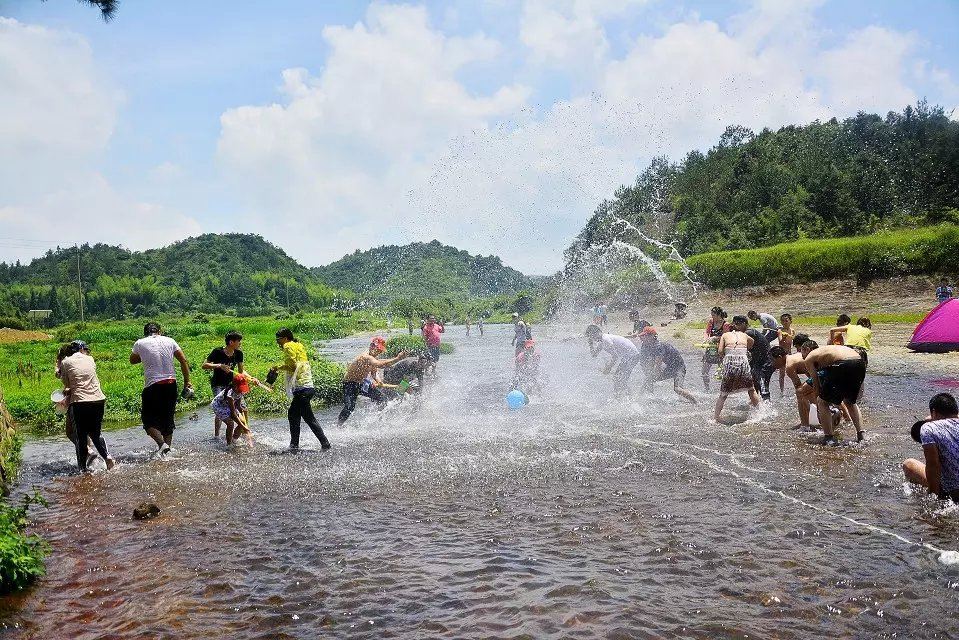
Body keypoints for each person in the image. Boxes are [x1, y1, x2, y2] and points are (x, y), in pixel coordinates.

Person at [130, 322, 192, 459]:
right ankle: (167, 452)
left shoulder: (140, 343)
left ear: (145, 332)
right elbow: (183, 360)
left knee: (147, 420)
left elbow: (132, 360)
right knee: (168, 419)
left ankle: (162, 445)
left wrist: (146, 355)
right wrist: (187, 381)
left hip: (153, 385)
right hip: (171, 384)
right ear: (160, 331)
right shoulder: (170, 340)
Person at [270, 328, 331, 451]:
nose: (278, 342)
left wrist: (278, 367)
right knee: (294, 414)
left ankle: (324, 444)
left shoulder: (288, 346)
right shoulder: (298, 345)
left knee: (307, 417)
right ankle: (295, 445)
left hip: (302, 388)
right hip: (307, 387)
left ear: (286, 338)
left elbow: (292, 366)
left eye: (279, 339)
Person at [59, 342, 115, 472]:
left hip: (80, 402)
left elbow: (67, 384)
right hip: (98, 400)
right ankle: (108, 458)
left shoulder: (66, 361)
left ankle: (82, 470)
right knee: (95, 434)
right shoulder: (90, 359)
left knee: (80, 437)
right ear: (82, 350)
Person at [804, 343, 867, 444]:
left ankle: (829, 437)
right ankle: (861, 435)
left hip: (842, 364)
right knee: (850, 402)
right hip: (859, 362)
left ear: (806, 350)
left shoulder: (808, 359)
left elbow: (815, 384)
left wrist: (818, 409)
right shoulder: (826, 351)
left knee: (822, 402)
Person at [903, 393, 959, 503]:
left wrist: (933, 497)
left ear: (934, 412)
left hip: (953, 492)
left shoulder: (928, 428)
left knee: (909, 464)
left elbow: (933, 464)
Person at [338, 337, 408, 424]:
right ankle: (339, 426)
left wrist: (378, 381)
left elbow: (374, 373)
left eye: (380, 351)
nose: (379, 352)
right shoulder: (365, 357)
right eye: (378, 349)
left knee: (383, 399)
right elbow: (381, 365)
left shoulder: (373, 357)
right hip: (350, 384)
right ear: (371, 346)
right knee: (349, 407)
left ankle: (377, 421)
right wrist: (397, 359)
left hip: (362, 383)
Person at [56, 342, 95, 464]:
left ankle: (88, 453)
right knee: (86, 432)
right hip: (94, 399)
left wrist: (57, 363)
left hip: (78, 400)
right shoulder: (89, 360)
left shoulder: (68, 362)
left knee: (71, 432)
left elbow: (59, 375)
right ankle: (93, 460)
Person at [713, 319, 760, 421]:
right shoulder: (744, 335)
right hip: (743, 361)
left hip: (730, 362)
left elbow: (720, 351)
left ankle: (716, 417)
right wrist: (745, 348)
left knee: (723, 394)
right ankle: (760, 413)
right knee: (751, 389)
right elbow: (752, 341)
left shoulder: (725, 336)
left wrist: (725, 354)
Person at [211, 373, 271, 448]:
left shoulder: (240, 391)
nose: (241, 389)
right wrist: (244, 427)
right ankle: (229, 445)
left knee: (242, 422)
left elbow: (238, 406)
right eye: (239, 387)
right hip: (219, 406)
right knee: (230, 423)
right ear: (234, 385)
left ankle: (234, 440)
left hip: (229, 406)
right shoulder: (230, 395)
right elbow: (233, 414)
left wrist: (242, 411)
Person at [202, 331, 244, 440]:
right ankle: (217, 435)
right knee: (220, 407)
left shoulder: (238, 353)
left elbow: (240, 372)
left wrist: (250, 379)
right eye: (238, 341)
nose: (240, 343)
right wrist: (219, 365)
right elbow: (204, 365)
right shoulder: (217, 351)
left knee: (238, 407)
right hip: (218, 384)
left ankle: (240, 431)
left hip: (231, 385)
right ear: (231, 342)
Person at [637, 328, 697, 403]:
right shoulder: (647, 345)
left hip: (679, 368)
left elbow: (658, 365)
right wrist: (649, 374)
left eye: (644, 336)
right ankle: (641, 400)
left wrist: (654, 374)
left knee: (677, 389)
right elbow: (649, 363)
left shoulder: (658, 346)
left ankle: (695, 402)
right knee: (648, 380)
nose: (642, 338)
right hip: (670, 368)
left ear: (652, 336)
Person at [586, 324, 641, 395]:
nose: (592, 338)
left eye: (592, 336)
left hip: (632, 356)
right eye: (590, 337)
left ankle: (628, 397)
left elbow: (615, 357)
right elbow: (594, 355)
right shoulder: (602, 342)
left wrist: (608, 367)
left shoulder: (605, 339)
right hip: (627, 357)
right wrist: (591, 345)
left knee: (621, 379)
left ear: (597, 332)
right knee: (616, 378)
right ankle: (619, 396)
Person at [734, 315, 773, 401]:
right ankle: (755, 402)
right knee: (753, 381)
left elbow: (739, 344)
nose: (736, 326)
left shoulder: (749, 332)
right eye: (735, 324)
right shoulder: (746, 333)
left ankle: (767, 407)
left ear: (744, 323)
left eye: (738, 324)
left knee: (762, 384)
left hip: (765, 361)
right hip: (757, 361)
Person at [701, 306, 729, 390]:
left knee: (723, 372)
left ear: (719, 315)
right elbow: (706, 332)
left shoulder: (726, 324)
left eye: (713, 315)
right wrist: (706, 340)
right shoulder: (711, 321)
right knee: (704, 372)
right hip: (710, 349)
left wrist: (715, 338)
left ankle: (724, 390)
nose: (712, 317)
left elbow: (726, 337)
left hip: (721, 350)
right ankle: (707, 389)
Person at [777, 313, 795, 392]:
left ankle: (796, 388)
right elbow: (780, 342)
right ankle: (782, 390)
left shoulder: (792, 330)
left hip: (790, 353)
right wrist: (784, 337)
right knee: (782, 373)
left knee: (792, 371)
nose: (785, 322)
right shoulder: (780, 331)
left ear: (790, 321)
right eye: (783, 321)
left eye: (786, 321)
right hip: (782, 354)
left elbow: (793, 340)